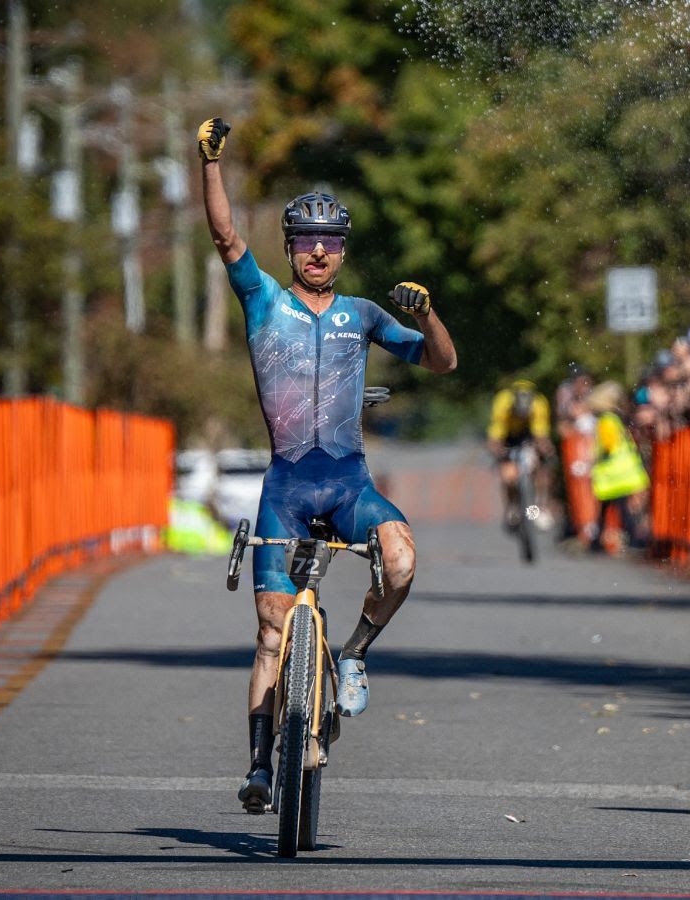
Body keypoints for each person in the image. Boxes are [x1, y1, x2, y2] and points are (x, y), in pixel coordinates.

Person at [196, 118, 458, 812]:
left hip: (347, 485)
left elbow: (442, 362)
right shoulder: (264, 301)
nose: (318, 252)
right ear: (289, 247)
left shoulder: (364, 315)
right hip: (285, 487)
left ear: (342, 251)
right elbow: (225, 238)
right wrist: (209, 164)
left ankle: (354, 652)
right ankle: (258, 766)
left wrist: (429, 316)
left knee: (400, 563)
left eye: (330, 242)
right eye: (306, 240)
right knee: (271, 632)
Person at [587, 381, 650, 552]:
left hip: (614, 475)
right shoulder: (614, 418)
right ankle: (603, 540)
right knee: (614, 509)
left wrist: (593, 460)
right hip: (620, 474)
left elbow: (608, 445)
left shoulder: (606, 420)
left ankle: (604, 540)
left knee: (617, 510)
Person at [487, 378, 556, 530]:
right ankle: (513, 509)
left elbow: (541, 435)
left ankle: (538, 509)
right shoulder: (503, 403)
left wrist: (546, 450)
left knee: (540, 470)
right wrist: (498, 452)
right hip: (508, 436)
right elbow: (495, 436)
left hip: (529, 435)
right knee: (508, 477)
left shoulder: (539, 404)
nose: (522, 416)